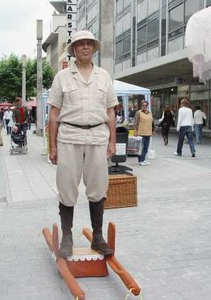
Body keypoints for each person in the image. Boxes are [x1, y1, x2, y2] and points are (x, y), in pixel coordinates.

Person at [48, 30, 117, 258]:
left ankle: (98, 236)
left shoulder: (104, 76)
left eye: (89, 44)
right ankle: (67, 235)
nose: (85, 47)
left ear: (94, 48)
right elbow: (54, 113)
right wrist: (52, 146)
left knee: (98, 187)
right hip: (69, 136)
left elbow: (110, 111)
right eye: (80, 44)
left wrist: (113, 141)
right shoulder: (62, 77)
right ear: (74, 50)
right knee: (67, 187)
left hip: (98, 136)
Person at [134, 100, 155, 165]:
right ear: (141, 106)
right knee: (141, 148)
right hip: (141, 133)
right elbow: (136, 122)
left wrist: (153, 130)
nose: (144, 106)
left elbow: (152, 123)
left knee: (146, 147)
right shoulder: (139, 113)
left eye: (146, 105)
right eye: (143, 105)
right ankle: (140, 160)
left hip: (148, 132)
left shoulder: (150, 113)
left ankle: (143, 159)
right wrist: (135, 131)